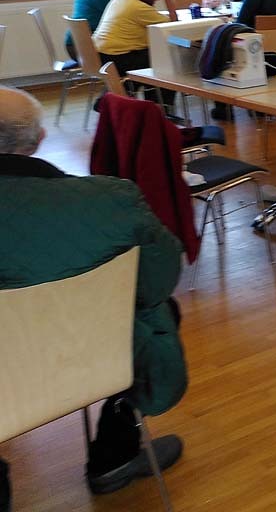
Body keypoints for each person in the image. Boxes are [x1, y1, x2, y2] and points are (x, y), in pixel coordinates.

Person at [0, 86, 186, 501]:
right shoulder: (110, 199)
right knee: (157, 313)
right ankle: (115, 456)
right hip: (93, 357)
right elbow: (160, 280)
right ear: (39, 140)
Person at [92, 0, 178, 75]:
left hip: (100, 55)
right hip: (118, 58)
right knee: (171, 55)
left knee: (166, 47)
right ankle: (162, 85)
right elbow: (173, 26)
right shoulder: (139, 7)